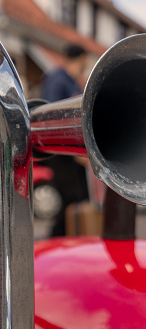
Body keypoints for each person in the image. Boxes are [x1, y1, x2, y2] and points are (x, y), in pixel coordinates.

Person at [40, 44, 89, 237]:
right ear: (82, 58)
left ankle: (69, 241)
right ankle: (57, 242)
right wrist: (75, 153)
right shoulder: (58, 81)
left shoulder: (73, 83)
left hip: (72, 153)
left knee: (77, 201)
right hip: (62, 153)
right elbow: (53, 120)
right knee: (70, 200)